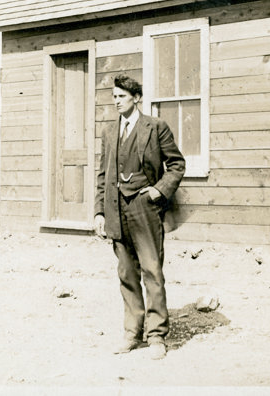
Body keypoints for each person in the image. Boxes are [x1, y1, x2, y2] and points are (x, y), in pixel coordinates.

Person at [94, 73, 186, 360]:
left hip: (145, 208)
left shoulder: (156, 127)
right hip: (116, 210)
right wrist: (99, 211)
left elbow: (177, 165)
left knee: (151, 270)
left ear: (136, 98)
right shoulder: (109, 132)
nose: (116, 101)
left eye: (122, 96)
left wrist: (158, 191)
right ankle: (132, 333)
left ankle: (156, 336)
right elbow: (102, 175)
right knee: (126, 273)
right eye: (114, 96)